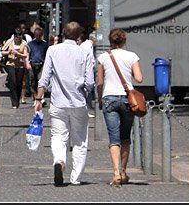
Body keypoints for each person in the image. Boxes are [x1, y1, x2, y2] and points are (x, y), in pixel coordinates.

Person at [34, 21, 95, 187]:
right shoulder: (85, 52)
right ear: (78, 35)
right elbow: (90, 82)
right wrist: (86, 91)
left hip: (58, 102)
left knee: (58, 137)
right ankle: (76, 178)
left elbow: (44, 78)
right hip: (78, 102)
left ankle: (59, 161)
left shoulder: (53, 50)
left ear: (63, 33)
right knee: (80, 140)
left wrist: (38, 99)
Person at [97, 28, 143, 188]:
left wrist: (100, 99)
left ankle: (116, 173)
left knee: (113, 138)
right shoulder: (132, 56)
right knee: (125, 137)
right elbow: (139, 78)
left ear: (110, 41)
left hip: (109, 98)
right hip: (127, 99)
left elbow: (100, 82)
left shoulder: (103, 57)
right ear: (124, 41)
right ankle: (123, 171)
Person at [1, 29, 30, 108]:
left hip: (20, 65)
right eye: (16, 37)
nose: (18, 39)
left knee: (19, 83)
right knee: (13, 81)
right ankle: (14, 102)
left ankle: (17, 101)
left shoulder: (24, 43)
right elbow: (2, 52)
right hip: (10, 64)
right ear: (14, 36)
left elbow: (26, 55)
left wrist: (18, 54)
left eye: (19, 37)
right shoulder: (9, 42)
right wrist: (9, 52)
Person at [27, 26, 48, 103]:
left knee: (40, 80)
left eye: (39, 35)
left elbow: (46, 55)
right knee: (32, 81)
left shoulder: (45, 44)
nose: (38, 36)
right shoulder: (30, 44)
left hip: (41, 64)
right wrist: (27, 63)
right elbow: (27, 54)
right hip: (32, 63)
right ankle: (35, 95)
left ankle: (40, 97)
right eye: (36, 35)